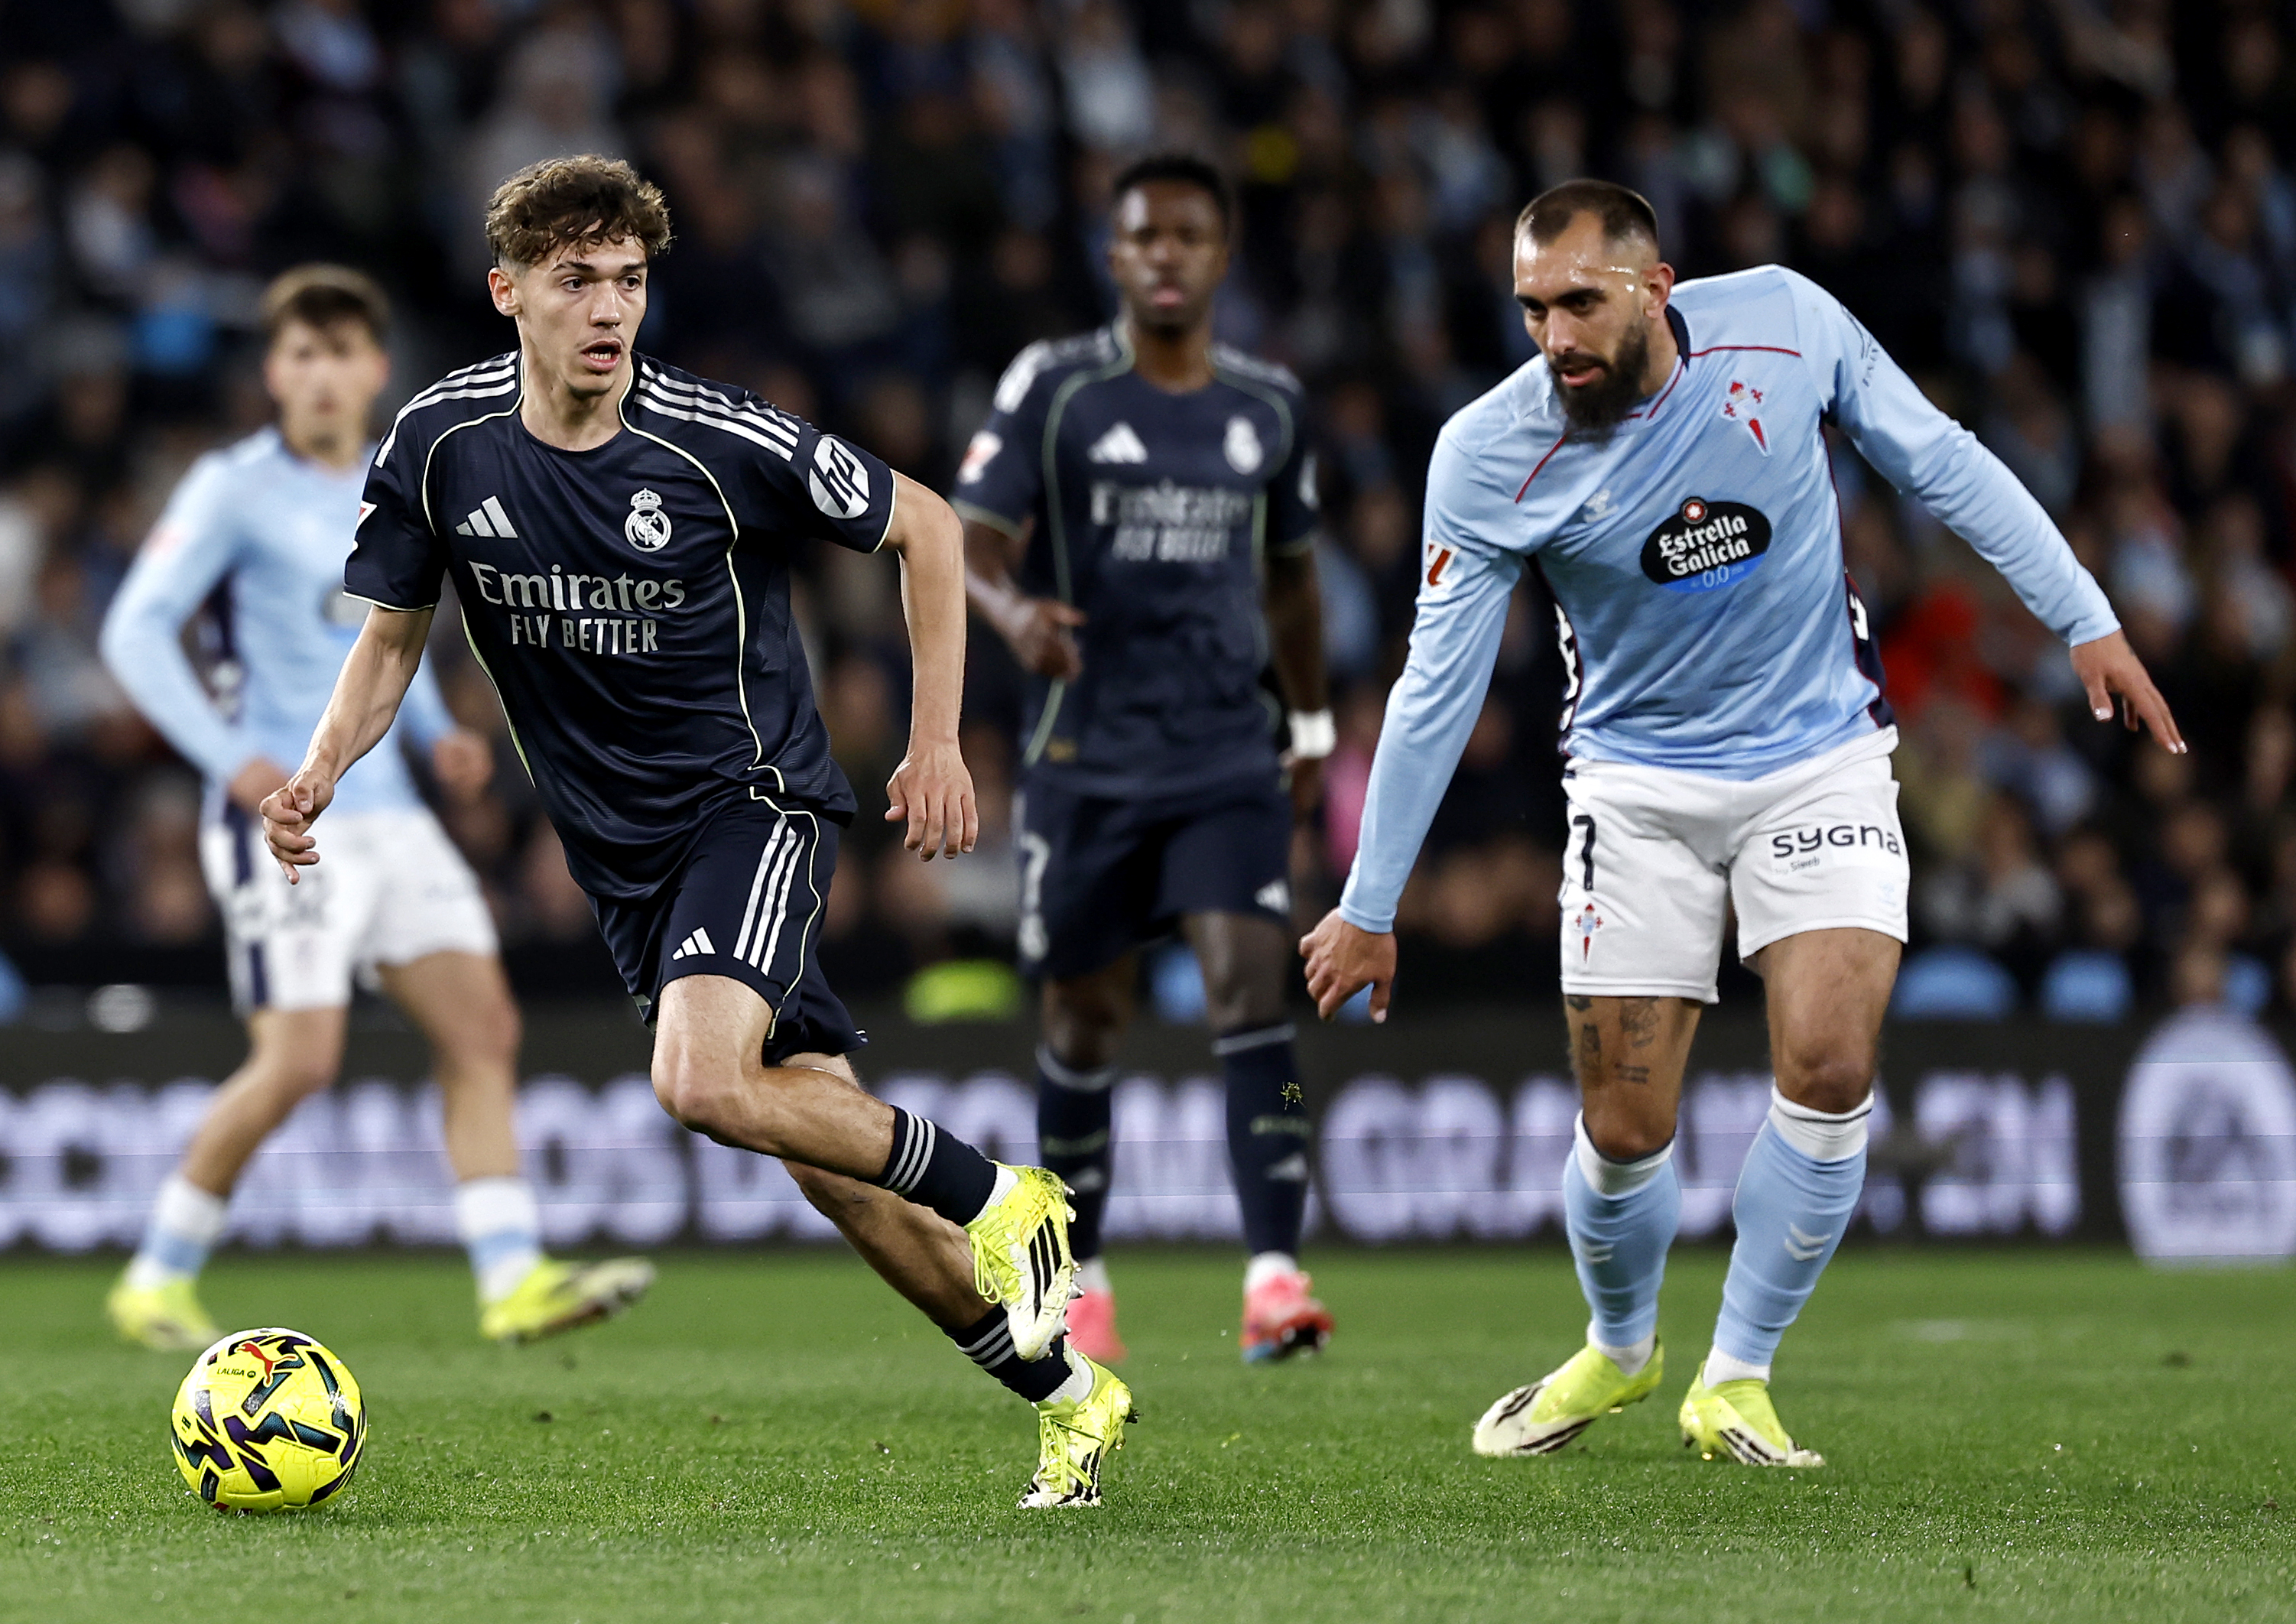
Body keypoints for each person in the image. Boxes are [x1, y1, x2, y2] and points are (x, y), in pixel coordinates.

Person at [261, 156, 1133, 1509]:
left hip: (752, 806)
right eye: (576, 282)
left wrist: (937, 740)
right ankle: (1074, 1398)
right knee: (828, 1164)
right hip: (621, 860)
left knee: (699, 1082)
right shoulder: (439, 443)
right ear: (510, 295)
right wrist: (318, 772)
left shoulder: (719, 442)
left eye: (629, 280)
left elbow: (929, 526)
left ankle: (1007, 1195)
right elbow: (390, 639)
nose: (610, 309)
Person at [1301, 180, 2180, 1466]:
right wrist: (1369, 905)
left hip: (1819, 761)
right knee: (1624, 1129)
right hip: (1635, 791)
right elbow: (1437, 684)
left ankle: (1740, 1376)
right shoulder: (1488, 455)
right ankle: (1621, 1345)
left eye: (1581, 304)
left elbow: (1940, 459)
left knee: (1827, 1072)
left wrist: (2084, 615)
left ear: (1657, 288)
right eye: (1533, 309)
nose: (1556, 339)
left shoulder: (1785, 324)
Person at [99, 265, 654, 1352]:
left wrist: (438, 727)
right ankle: (154, 1275)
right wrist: (233, 761)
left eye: (339, 352)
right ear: (272, 372)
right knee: (302, 1060)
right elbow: (134, 631)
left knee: (482, 1028)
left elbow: (382, 634)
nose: (318, 374)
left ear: (374, 370)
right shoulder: (232, 487)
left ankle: (512, 1280)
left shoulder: (399, 480)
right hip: (291, 816)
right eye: (298, 354)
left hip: (391, 808)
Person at [954, 154, 1333, 1365]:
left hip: (1225, 749)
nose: (1165, 254)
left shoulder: (1268, 407)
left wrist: (1313, 725)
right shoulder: (1059, 389)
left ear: (1221, 258)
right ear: (1113, 257)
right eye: (1143, 236)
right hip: (1086, 758)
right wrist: (1010, 616)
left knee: (1250, 988)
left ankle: (1276, 1273)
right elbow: (964, 538)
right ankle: (1083, 1277)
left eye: (1188, 236)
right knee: (1084, 1017)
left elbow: (1292, 578)